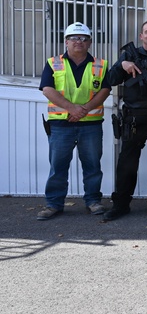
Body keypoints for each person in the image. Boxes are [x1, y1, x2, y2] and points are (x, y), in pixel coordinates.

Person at [36, 22, 112, 220]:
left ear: (90, 42)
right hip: (61, 125)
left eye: (83, 38)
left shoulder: (101, 64)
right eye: (74, 38)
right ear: (66, 41)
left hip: (90, 125)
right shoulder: (53, 63)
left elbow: (105, 90)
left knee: (92, 166)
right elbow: (47, 89)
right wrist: (73, 109)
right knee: (58, 167)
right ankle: (54, 204)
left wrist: (83, 110)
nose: (79, 41)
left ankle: (93, 201)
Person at [103, 20, 147, 221]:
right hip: (134, 119)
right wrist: (122, 65)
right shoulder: (128, 55)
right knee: (127, 163)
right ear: (141, 36)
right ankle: (121, 204)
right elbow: (111, 80)